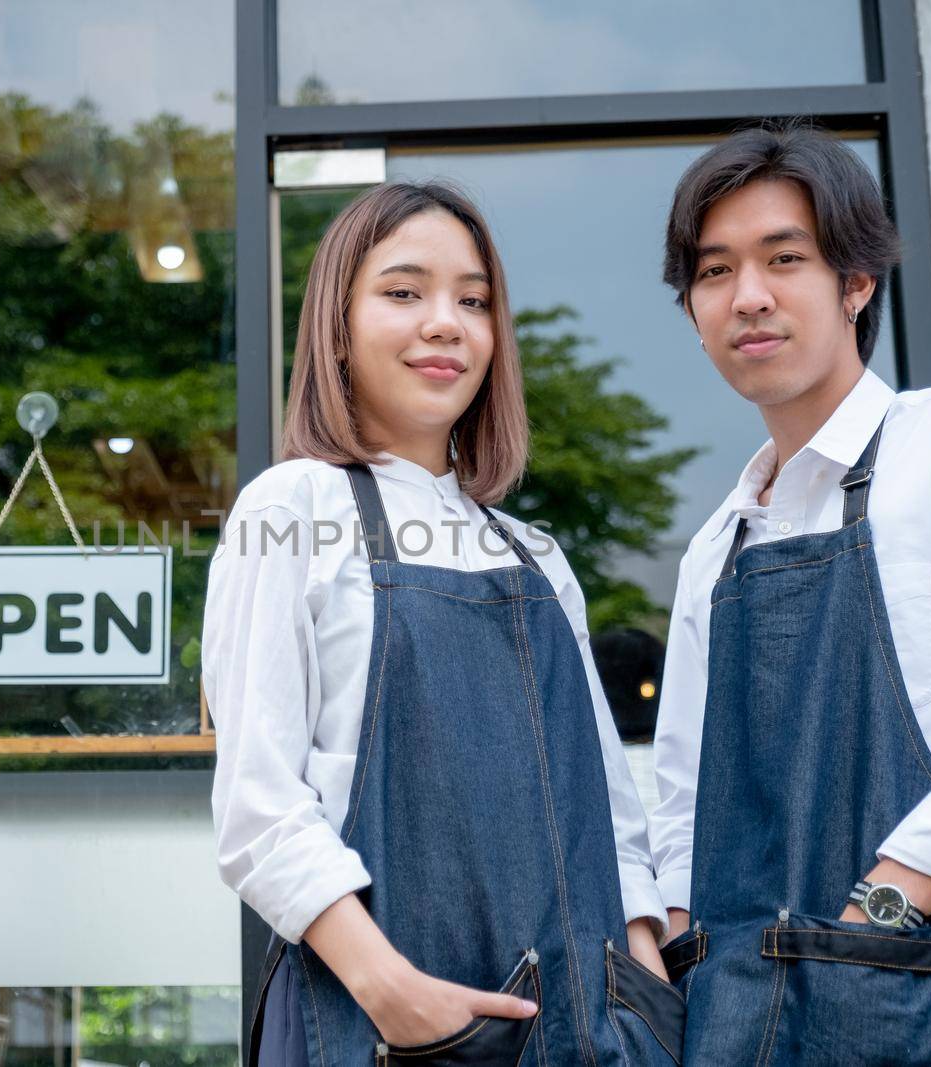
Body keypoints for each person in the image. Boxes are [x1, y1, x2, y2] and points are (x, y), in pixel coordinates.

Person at [649, 123, 931, 1065]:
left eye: (785, 258)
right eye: (714, 271)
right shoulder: (717, 544)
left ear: (857, 283)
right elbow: (681, 803)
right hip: (736, 1024)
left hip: (930, 997)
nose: (749, 297)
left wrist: (881, 911)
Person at [203, 181, 681, 1066]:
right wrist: (397, 994)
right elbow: (258, 810)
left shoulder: (536, 555)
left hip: (579, 1030)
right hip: (377, 1026)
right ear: (336, 328)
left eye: (473, 300)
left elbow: (612, 816)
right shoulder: (292, 508)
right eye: (402, 291)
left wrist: (643, 982)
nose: (445, 322)